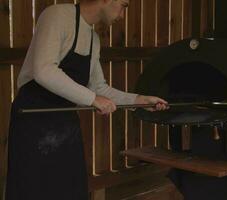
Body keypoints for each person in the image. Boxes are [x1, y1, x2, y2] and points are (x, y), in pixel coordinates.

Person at [5, 0, 168, 199]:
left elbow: (98, 88)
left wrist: (139, 100)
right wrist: (92, 99)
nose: (122, 15)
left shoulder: (92, 39)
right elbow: (44, 70)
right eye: (124, 5)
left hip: (65, 124)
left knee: (70, 191)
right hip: (33, 120)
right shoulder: (56, 15)